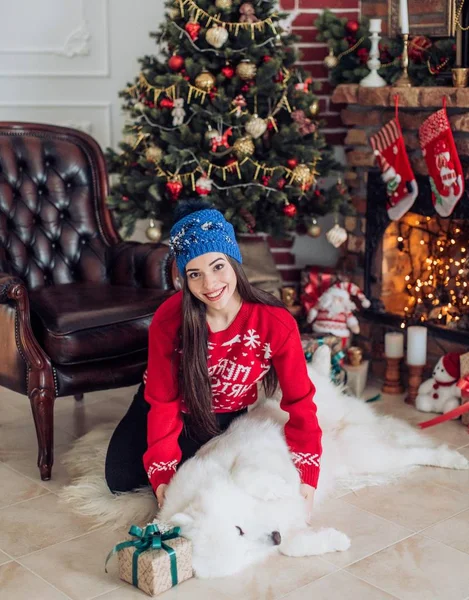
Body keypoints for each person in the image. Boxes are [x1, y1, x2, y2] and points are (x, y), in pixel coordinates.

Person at [105, 200, 322, 520]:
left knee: (210, 478)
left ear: (234, 262)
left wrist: (307, 470)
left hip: (222, 412)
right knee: (121, 478)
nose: (210, 284)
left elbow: (300, 399)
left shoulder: (275, 321)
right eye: (195, 274)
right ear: (184, 279)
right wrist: (162, 474)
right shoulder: (169, 319)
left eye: (218, 266)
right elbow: (163, 400)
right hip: (166, 403)